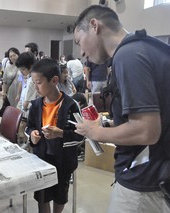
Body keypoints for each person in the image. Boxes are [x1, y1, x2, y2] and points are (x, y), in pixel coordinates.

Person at [73, 5, 170, 213]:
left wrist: (96, 132)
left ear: (94, 26)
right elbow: (155, 116)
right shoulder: (147, 47)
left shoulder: (128, 55)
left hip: (143, 179)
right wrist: (108, 124)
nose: (81, 52)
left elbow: (147, 130)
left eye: (79, 41)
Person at [25, 58, 83, 213]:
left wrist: (61, 133)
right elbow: (29, 127)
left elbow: (80, 135)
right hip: (42, 159)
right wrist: (32, 134)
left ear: (54, 80)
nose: (35, 87)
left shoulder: (71, 106)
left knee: (60, 195)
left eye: (38, 82)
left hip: (63, 161)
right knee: (42, 196)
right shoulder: (36, 105)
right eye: (34, 82)